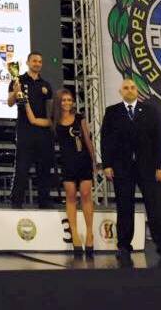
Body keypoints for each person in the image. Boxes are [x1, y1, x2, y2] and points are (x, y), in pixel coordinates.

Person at [101, 78, 161, 263]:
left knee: (155, 205)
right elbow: (106, 140)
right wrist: (107, 164)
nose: (130, 90)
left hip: (148, 167)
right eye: (126, 88)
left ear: (137, 91)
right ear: (120, 92)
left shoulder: (150, 111)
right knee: (124, 207)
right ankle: (124, 246)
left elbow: (160, 140)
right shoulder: (112, 112)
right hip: (122, 167)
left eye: (132, 87)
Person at [51, 88, 97, 256]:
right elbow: (36, 121)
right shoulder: (54, 120)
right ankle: (75, 235)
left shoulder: (79, 118)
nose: (67, 103)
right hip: (67, 162)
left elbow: (87, 140)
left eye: (69, 100)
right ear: (59, 102)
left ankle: (90, 234)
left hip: (83, 160)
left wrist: (94, 160)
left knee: (86, 195)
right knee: (70, 196)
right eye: (64, 100)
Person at [8, 52, 56, 208]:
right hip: (25, 131)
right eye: (34, 61)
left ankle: (44, 202)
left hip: (43, 133)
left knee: (44, 168)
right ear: (28, 62)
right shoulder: (18, 80)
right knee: (22, 168)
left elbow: (50, 111)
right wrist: (16, 91)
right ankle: (16, 202)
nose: (37, 64)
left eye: (40, 61)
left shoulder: (46, 85)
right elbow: (10, 103)